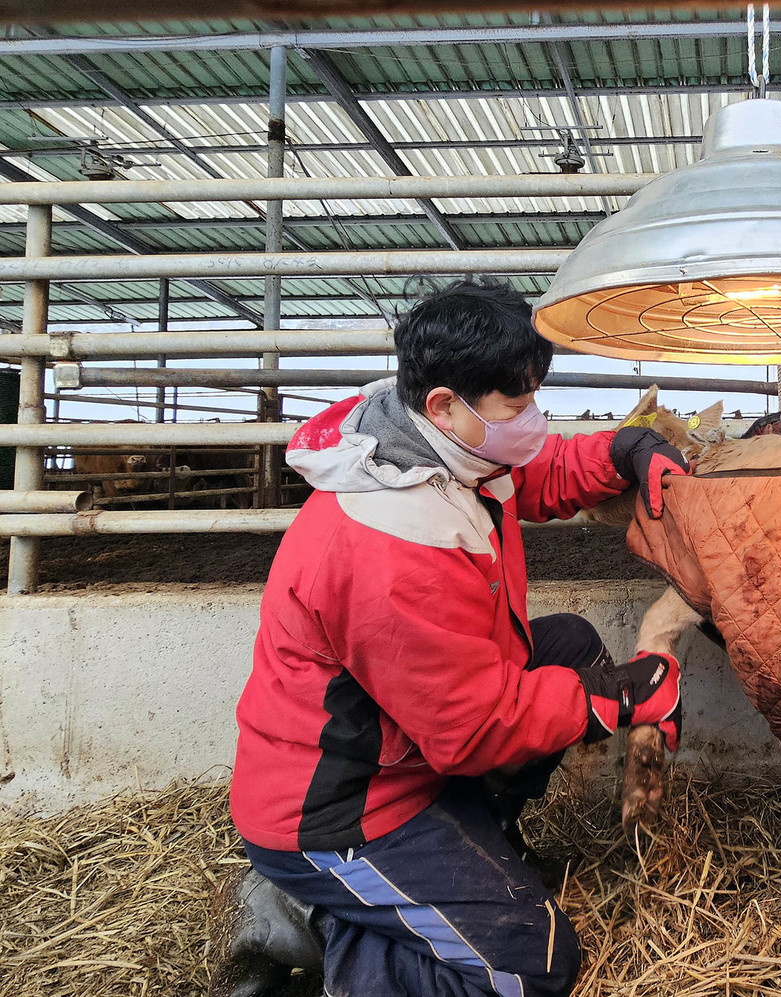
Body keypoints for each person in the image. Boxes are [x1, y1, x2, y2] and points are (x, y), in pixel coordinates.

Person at [213, 276, 691, 997]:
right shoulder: (388, 544)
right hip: (345, 805)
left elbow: (538, 472)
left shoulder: (441, 445)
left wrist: (625, 450)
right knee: (534, 962)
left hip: (398, 746)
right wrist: (613, 699)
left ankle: (441, 869)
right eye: (519, 403)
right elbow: (472, 728)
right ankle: (313, 917)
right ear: (444, 402)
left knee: (566, 644)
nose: (532, 418)